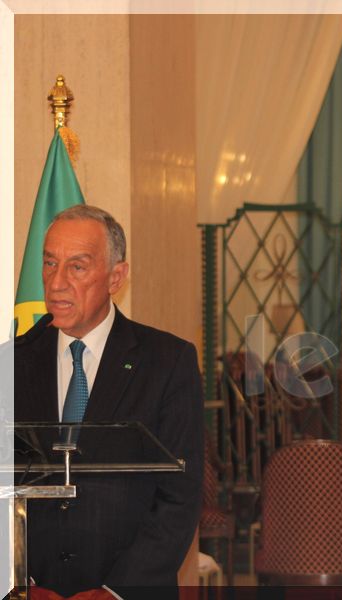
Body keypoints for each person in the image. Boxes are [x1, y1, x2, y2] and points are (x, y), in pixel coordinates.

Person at [14, 205, 203, 598]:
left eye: (77, 267)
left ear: (116, 276)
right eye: (50, 263)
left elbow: (179, 497)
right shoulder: (13, 361)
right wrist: (20, 581)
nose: (57, 282)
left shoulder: (167, 361)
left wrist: (116, 591)